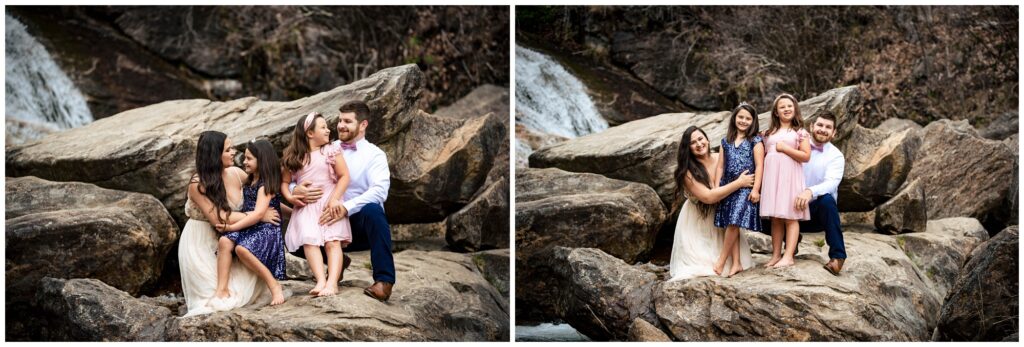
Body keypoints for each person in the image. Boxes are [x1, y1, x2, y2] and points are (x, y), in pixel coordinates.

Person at [293, 100, 396, 301]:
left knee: (373, 210)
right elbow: (297, 172)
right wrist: (294, 189)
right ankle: (337, 263)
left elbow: (380, 191)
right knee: (290, 226)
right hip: (325, 220)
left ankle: (384, 281)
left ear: (363, 125)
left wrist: (345, 207)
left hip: (357, 225)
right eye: (340, 120)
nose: (340, 125)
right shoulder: (325, 148)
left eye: (347, 121)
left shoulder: (375, 155)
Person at [178, 131, 281, 316]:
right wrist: (258, 215)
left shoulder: (236, 173)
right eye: (228, 149)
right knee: (210, 304)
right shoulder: (197, 183)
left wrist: (291, 196)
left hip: (231, 237)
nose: (234, 152)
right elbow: (219, 218)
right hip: (201, 241)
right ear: (214, 154)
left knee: (246, 291)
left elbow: (263, 193)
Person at [667, 125, 755, 282]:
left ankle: (734, 262)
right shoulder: (687, 171)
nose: (699, 144)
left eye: (701, 139)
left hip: (723, 214)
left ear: (707, 139)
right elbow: (708, 197)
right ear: (688, 148)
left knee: (733, 262)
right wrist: (739, 183)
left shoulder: (720, 157)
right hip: (698, 219)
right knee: (701, 266)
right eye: (693, 143)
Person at [280, 112, 352, 297]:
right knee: (310, 242)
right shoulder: (294, 156)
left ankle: (332, 283)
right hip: (306, 206)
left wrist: (335, 198)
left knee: (332, 242)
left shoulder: (331, 151)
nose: (328, 130)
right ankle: (320, 280)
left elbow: (344, 176)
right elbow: (284, 182)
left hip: (330, 202)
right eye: (323, 127)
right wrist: (290, 197)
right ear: (310, 133)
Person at [214, 139, 287, 306]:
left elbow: (259, 213)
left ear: (262, 160)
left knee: (242, 249)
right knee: (225, 241)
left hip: (265, 227)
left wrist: (231, 226)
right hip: (250, 224)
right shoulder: (250, 180)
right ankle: (221, 288)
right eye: (245, 158)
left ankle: (273, 285)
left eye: (249, 159)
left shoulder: (265, 184)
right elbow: (270, 205)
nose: (244, 162)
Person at [712, 102, 764, 277]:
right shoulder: (725, 141)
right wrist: (716, 187)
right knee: (729, 223)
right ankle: (736, 263)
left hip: (746, 186)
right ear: (734, 118)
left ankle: (721, 261)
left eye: (748, 118)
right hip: (728, 186)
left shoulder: (755, 141)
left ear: (753, 121)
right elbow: (720, 166)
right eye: (740, 117)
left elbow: (760, 166)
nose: (743, 121)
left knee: (734, 222)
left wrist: (756, 189)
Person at [759, 94, 811, 268]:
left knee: (790, 216)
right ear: (776, 112)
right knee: (775, 218)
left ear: (795, 108)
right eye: (782, 107)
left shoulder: (800, 132)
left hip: (790, 178)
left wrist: (785, 149)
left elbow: (805, 156)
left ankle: (788, 256)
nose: (787, 109)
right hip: (773, 178)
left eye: (790, 106)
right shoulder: (769, 133)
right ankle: (775, 255)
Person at [794, 111, 848, 275]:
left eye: (828, 127)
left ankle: (838, 256)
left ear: (834, 133)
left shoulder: (836, 156)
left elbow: (832, 183)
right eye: (820, 125)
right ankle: (791, 238)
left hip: (814, 214)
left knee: (827, 200)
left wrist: (810, 191)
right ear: (811, 126)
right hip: (789, 211)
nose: (823, 129)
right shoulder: (795, 145)